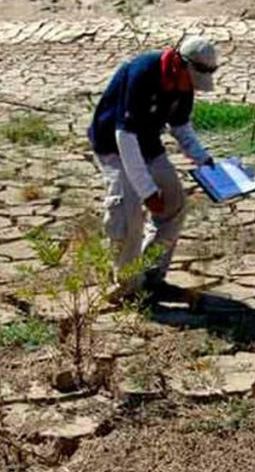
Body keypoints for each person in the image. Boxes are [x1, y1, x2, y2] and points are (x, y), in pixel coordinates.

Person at [88, 36, 218, 299]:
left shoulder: (185, 83)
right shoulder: (142, 72)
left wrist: (202, 158)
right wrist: (147, 191)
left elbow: (180, 125)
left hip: (147, 143)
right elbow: (124, 137)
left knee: (174, 204)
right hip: (114, 145)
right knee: (128, 212)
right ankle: (125, 287)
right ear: (180, 65)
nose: (190, 88)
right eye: (191, 80)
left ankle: (150, 275)